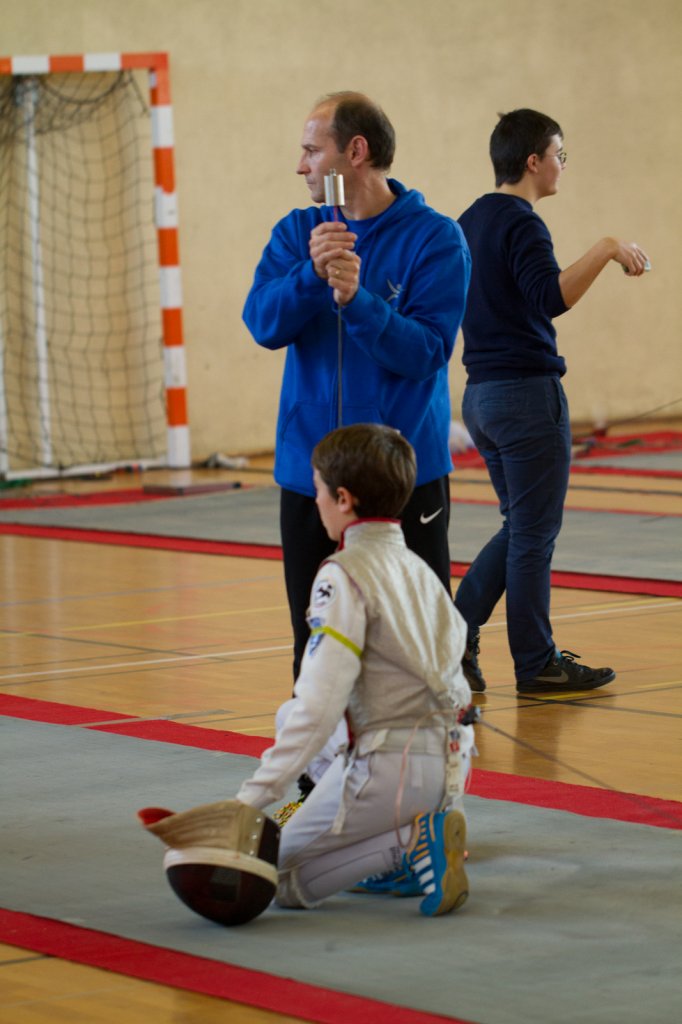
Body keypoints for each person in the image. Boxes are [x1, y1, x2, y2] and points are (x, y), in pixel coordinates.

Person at [243, 91, 471, 683]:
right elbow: (262, 324)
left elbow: (426, 352)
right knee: (314, 643)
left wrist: (358, 301)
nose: (300, 165)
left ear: (356, 152)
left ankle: (433, 739)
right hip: (313, 476)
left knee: (417, 643)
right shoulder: (297, 233)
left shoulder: (435, 239)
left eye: (312, 151)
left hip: (402, 476)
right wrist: (310, 277)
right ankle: (319, 746)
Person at [234, 423, 475, 916]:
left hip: (394, 768)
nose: (315, 502)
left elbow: (319, 706)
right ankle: (414, 830)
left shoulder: (342, 576)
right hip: (452, 762)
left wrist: (246, 803)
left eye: (319, 491)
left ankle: (408, 844)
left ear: (343, 499)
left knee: (269, 878)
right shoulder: (419, 569)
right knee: (286, 716)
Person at [453, 108, 650, 695]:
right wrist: (606, 248)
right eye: (559, 154)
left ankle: (454, 636)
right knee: (534, 535)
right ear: (533, 160)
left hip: (481, 398)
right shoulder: (523, 223)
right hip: (525, 396)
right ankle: (536, 662)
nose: (563, 165)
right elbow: (550, 297)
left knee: (521, 526)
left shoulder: (468, 221)